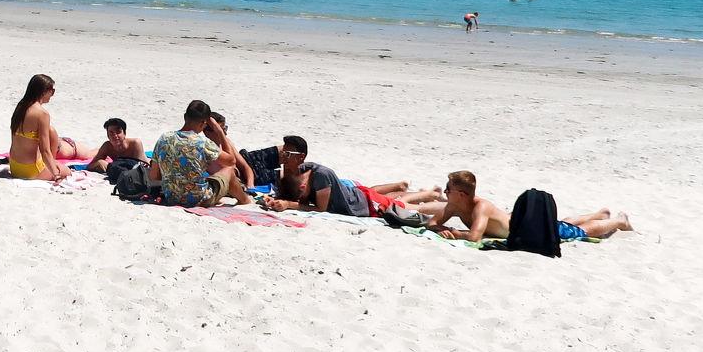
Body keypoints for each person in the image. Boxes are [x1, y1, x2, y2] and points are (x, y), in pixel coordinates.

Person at [431, 171, 632, 242]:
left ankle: (618, 221)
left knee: (575, 232)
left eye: (449, 189)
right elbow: (432, 223)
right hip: (516, 221)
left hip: (527, 228)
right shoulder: (453, 206)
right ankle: (600, 214)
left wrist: (454, 232)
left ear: (462, 195)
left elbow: (474, 237)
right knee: (559, 225)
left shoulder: (481, 207)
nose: (446, 192)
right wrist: (441, 228)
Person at [263, 137, 423, 217]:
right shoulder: (288, 173)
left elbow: (320, 209)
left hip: (360, 205)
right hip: (355, 193)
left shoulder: (320, 175)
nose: (283, 156)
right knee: (371, 192)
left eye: (288, 153)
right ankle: (400, 186)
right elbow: (289, 196)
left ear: (301, 157)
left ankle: (429, 194)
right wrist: (274, 199)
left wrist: (288, 205)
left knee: (396, 204)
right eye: (283, 152)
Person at [148, 100, 250, 207]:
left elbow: (154, 175)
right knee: (228, 171)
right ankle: (245, 201)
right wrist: (219, 132)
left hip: (171, 197)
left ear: (185, 117)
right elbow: (230, 162)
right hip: (199, 199)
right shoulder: (202, 143)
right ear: (203, 123)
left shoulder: (163, 138)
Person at [6, 74, 82, 182]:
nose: (53, 94)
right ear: (44, 91)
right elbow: (45, 150)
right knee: (67, 172)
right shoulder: (42, 114)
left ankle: (52, 163)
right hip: (30, 171)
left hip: (14, 167)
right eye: (52, 91)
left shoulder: (21, 107)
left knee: (51, 130)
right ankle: (52, 164)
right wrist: (56, 174)